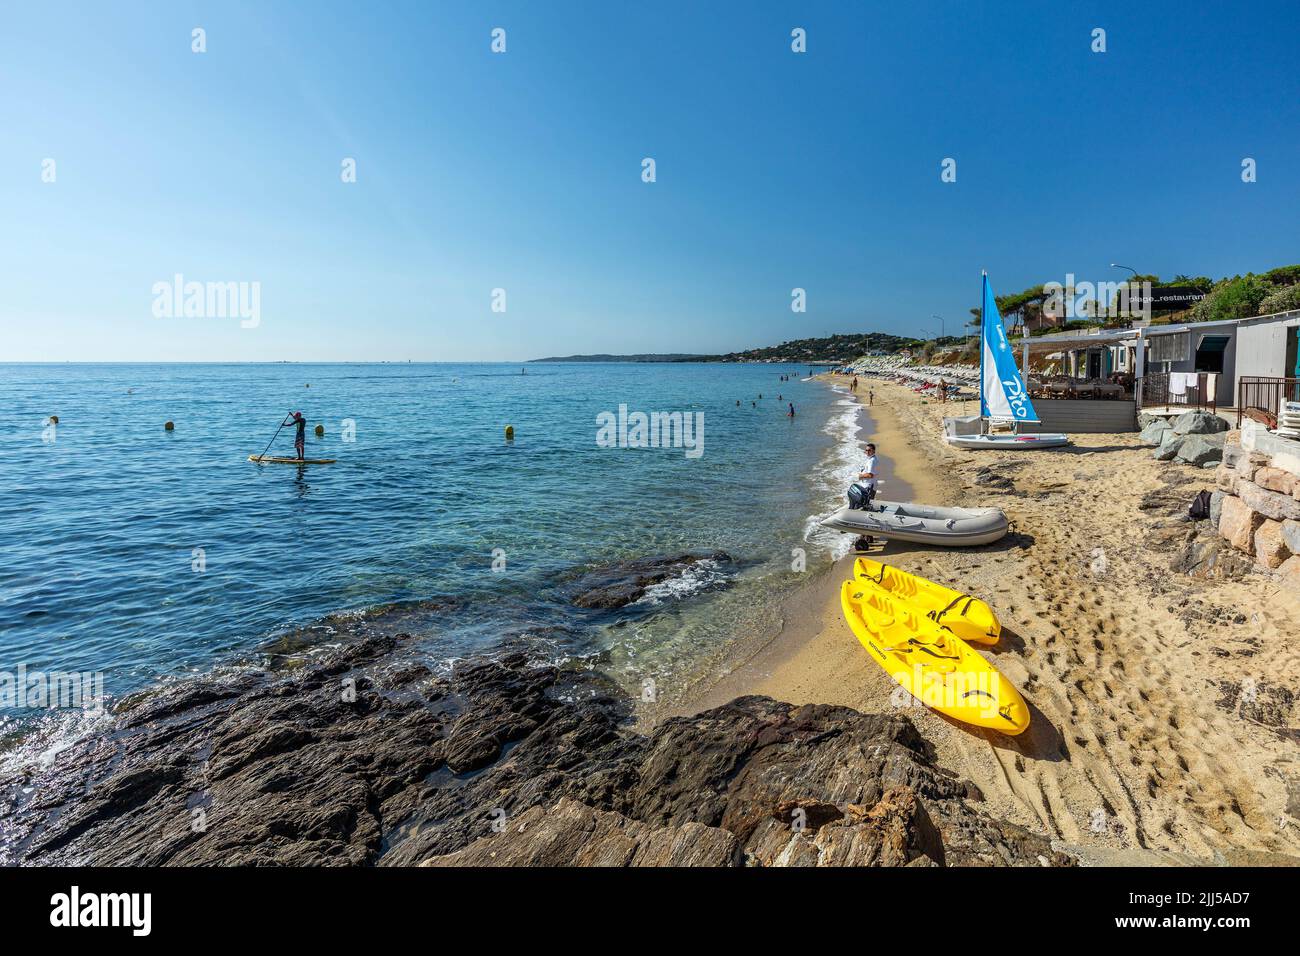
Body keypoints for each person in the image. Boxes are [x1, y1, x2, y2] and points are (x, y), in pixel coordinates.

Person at [847, 443, 879, 510]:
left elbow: (870, 475)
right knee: (866, 503)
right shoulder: (872, 459)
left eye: (869, 450)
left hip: (869, 486)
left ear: (873, 451)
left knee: (866, 504)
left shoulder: (872, 461)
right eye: (866, 450)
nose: (867, 452)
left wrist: (860, 476)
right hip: (869, 485)